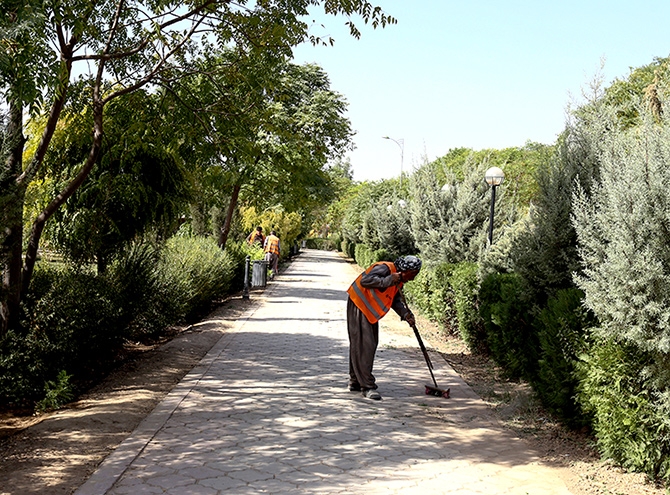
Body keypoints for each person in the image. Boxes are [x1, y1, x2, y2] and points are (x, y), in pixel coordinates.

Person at [346, 255, 422, 400]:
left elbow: (395, 300)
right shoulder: (385, 269)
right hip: (359, 304)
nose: (413, 278)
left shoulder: (399, 280)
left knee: (363, 344)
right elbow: (365, 281)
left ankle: (355, 381)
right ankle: (367, 386)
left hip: (367, 310)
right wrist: (388, 280)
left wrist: (406, 314)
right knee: (365, 344)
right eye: (413, 274)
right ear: (405, 270)